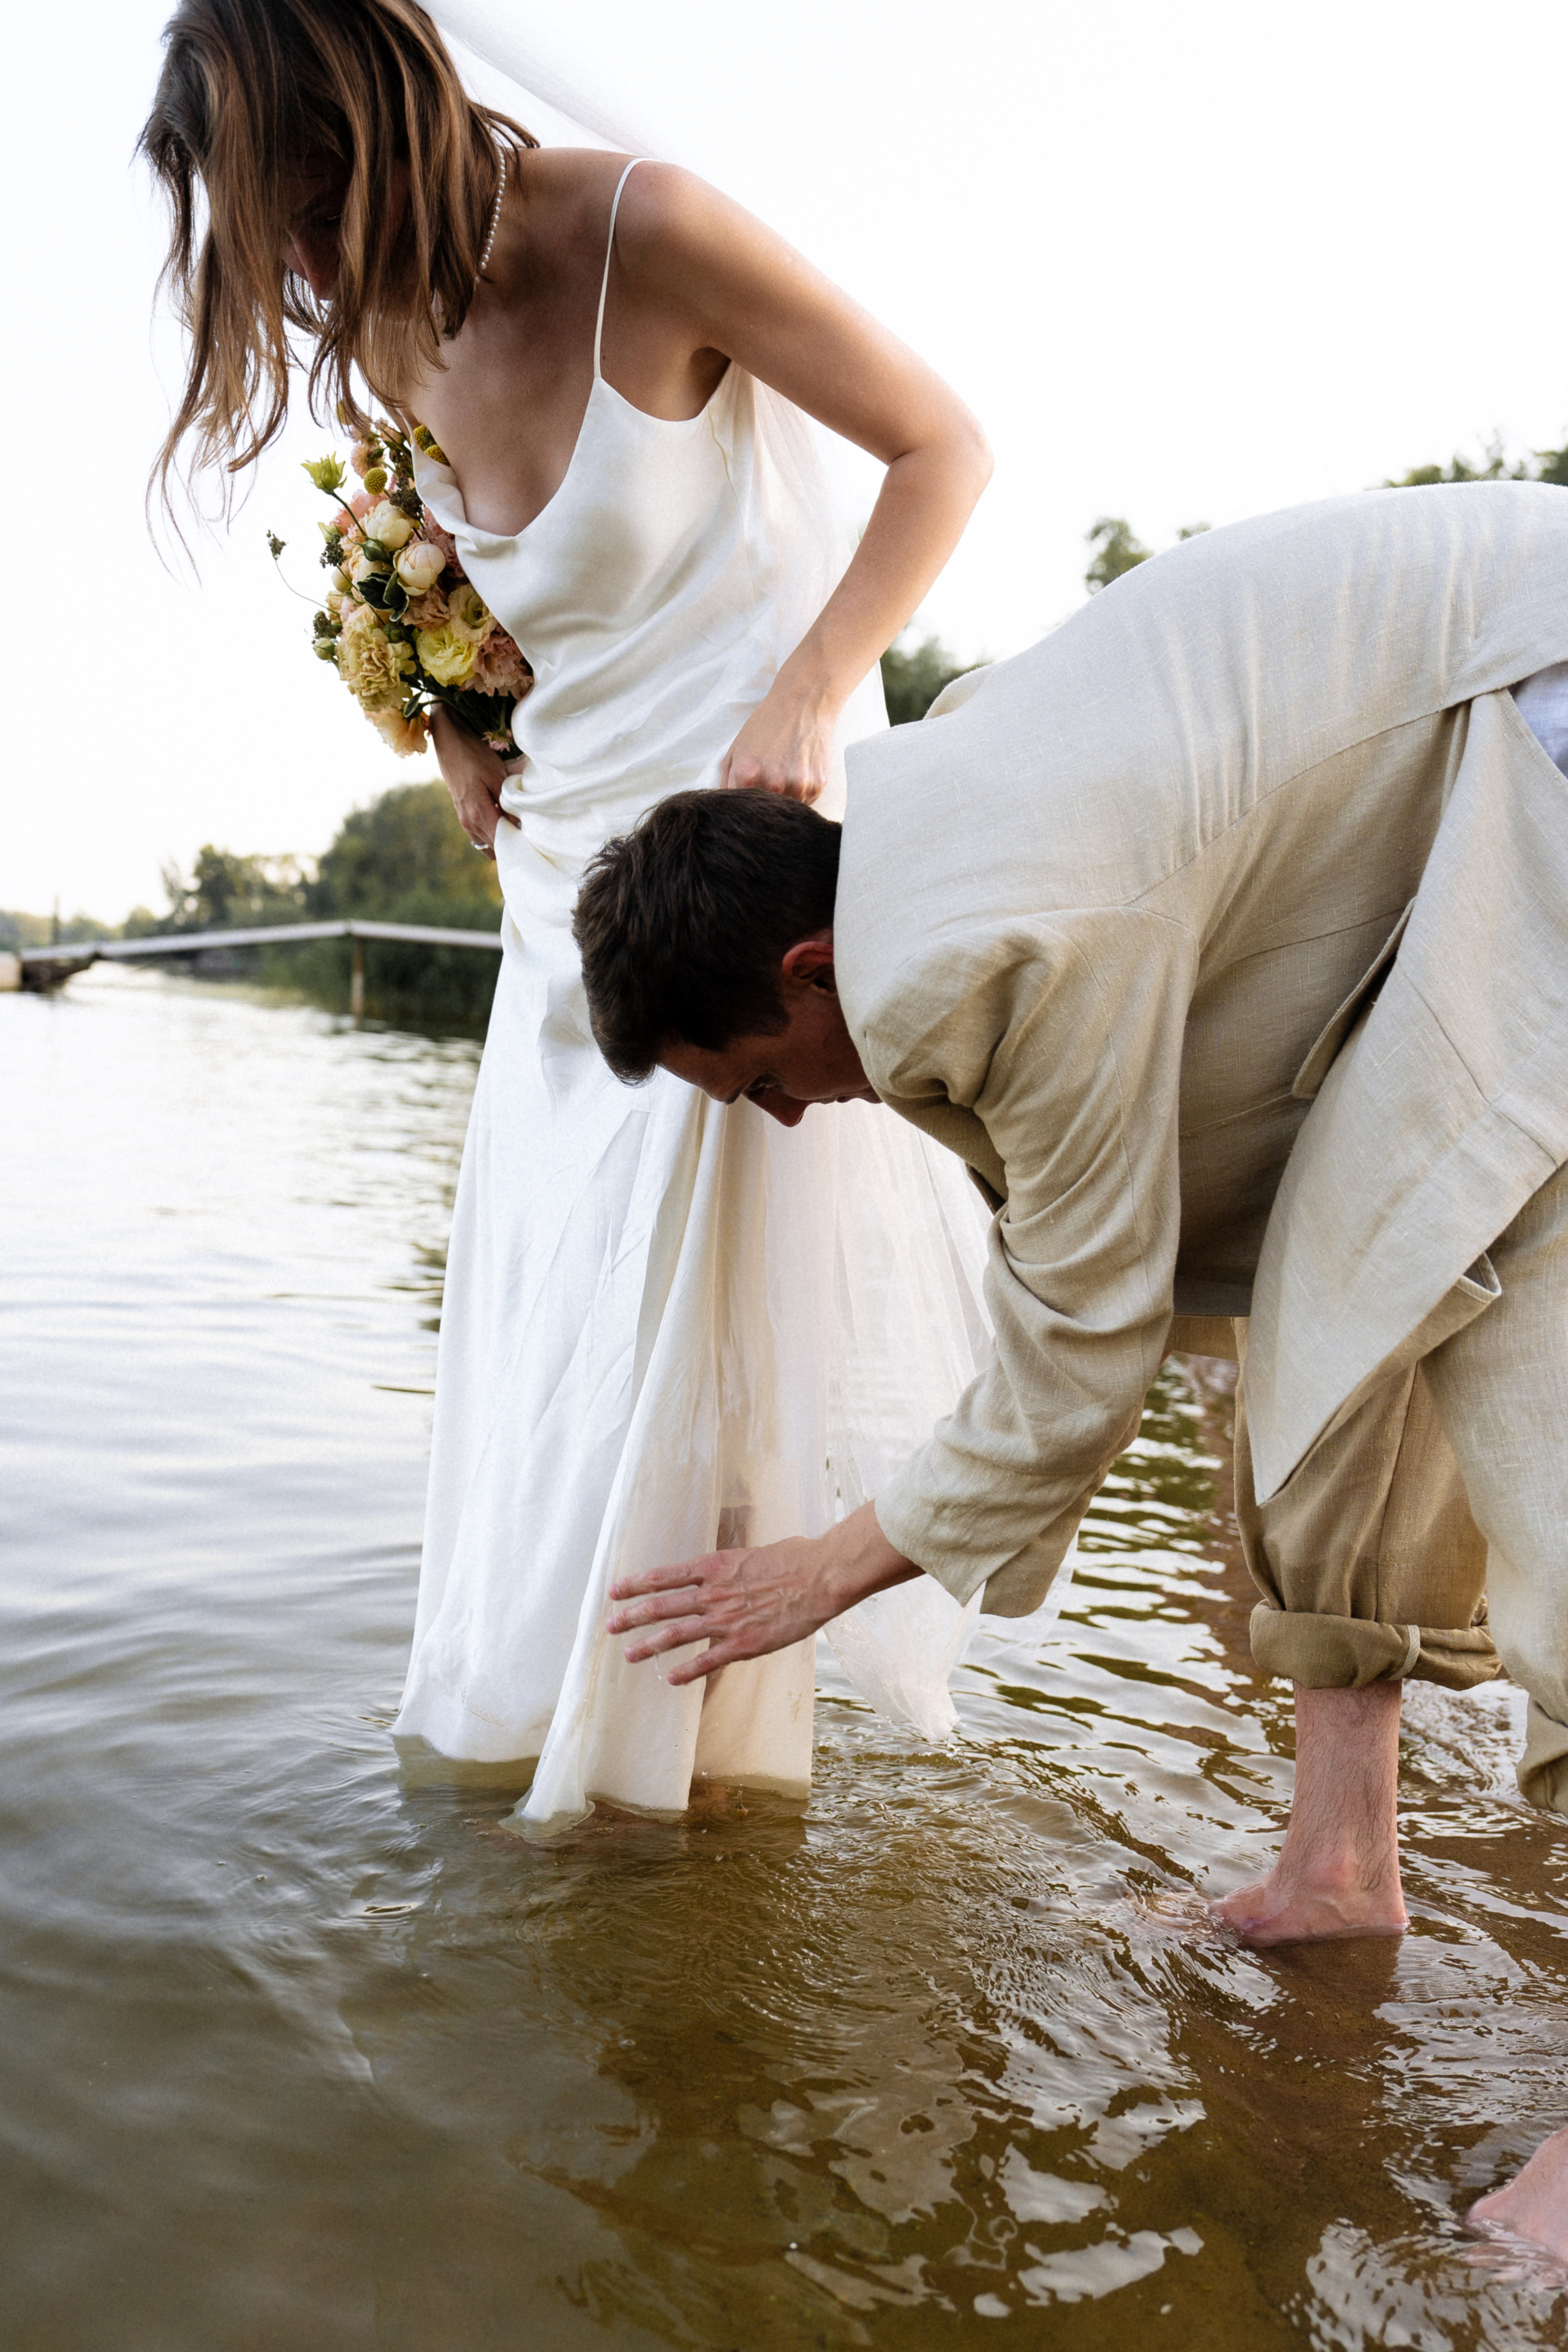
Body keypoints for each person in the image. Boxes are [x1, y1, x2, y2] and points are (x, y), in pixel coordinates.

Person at [575, 479, 1568, 2256]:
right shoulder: (936, 851)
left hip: (1552, 728)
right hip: (1478, 782)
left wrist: (816, 1572)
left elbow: (1079, 1341)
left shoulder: (992, 939)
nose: (793, 1120)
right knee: (1331, 1342)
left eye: (765, 1079)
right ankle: (1342, 1871)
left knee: (1531, 1394)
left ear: (809, 967)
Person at [141, 0, 997, 1831]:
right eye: (263, 242)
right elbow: (445, 563)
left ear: (378, 120)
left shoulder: (648, 233)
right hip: (554, 904)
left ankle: (683, 1786)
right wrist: (456, 726)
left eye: (301, 210)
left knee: (687, 1349)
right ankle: (524, 1739)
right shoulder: (379, 320)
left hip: (723, 868)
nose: (294, 271)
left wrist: (817, 682)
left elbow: (944, 448)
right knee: (542, 1336)